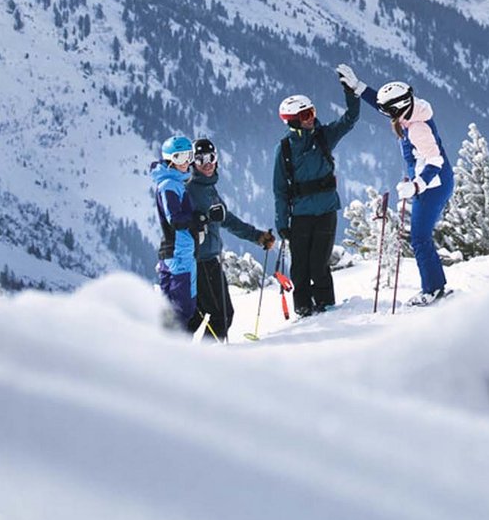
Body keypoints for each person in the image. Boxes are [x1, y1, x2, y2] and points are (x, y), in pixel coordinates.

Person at [272, 65, 365, 315]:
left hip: (325, 210)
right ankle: (303, 309)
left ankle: (326, 306)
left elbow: (350, 119)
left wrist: (351, 92)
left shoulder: (324, 136)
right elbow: (280, 190)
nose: (310, 117)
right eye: (304, 115)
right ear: (292, 121)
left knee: (318, 264)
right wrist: (282, 223)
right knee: (300, 266)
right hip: (300, 215)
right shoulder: (285, 150)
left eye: (311, 111)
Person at [357, 76, 455, 304]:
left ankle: (432, 290)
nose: (385, 114)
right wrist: (359, 87)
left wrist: (416, 185)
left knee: (420, 238)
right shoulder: (410, 110)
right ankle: (436, 286)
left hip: (432, 187)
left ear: (397, 108)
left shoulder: (417, 128)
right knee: (421, 237)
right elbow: (383, 104)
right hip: (432, 183)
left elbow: (435, 160)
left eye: (388, 111)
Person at [184, 136, 274, 340]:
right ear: (193, 163)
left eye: (211, 158)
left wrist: (258, 236)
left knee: (195, 317)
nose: (207, 164)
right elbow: (179, 224)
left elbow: (227, 219)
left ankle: (177, 359)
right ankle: (210, 359)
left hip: (206, 261)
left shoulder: (207, 188)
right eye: (201, 160)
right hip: (201, 261)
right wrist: (199, 221)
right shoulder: (190, 190)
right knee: (221, 316)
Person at [151, 136, 203, 333]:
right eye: (180, 157)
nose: (186, 162)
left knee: (170, 307)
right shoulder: (169, 185)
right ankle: (177, 352)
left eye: (189, 156)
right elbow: (175, 219)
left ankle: (165, 349)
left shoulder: (173, 182)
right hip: (179, 253)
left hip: (175, 252)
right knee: (183, 307)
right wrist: (196, 219)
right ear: (170, 159)